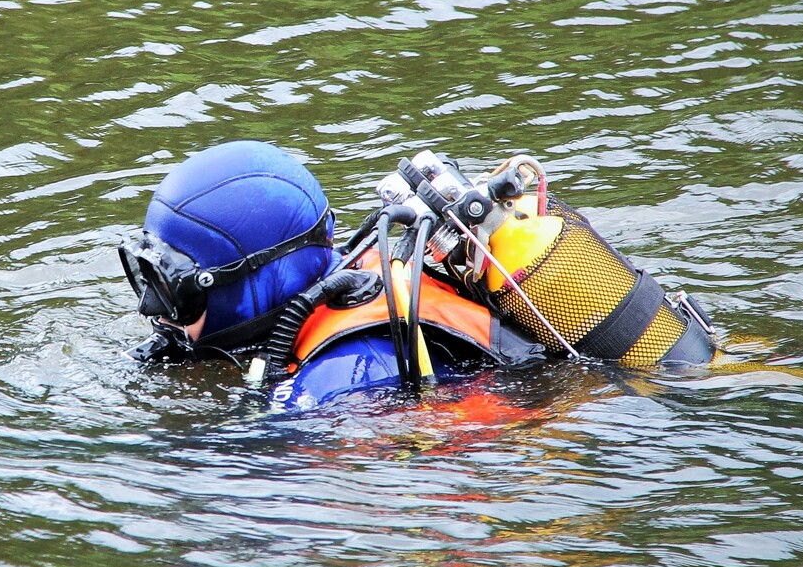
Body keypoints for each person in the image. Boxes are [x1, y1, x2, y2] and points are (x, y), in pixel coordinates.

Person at [118, 140, 718, 410]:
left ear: (255, 280)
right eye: (143, 274)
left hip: (615, 413)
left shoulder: (340, 374)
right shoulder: (351, 274)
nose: (153, 310)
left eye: (171, 283)